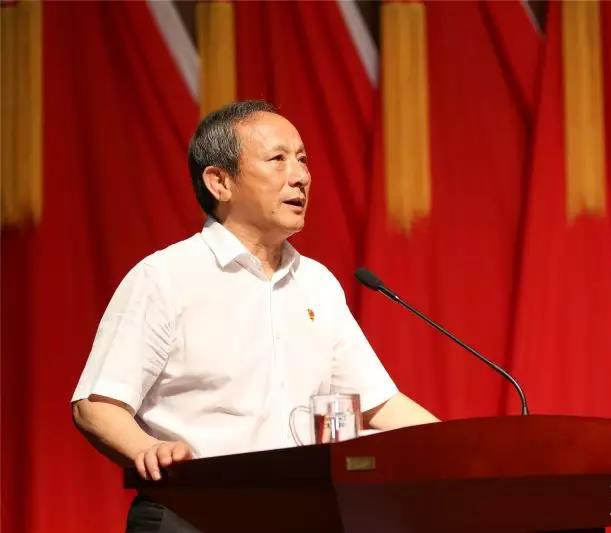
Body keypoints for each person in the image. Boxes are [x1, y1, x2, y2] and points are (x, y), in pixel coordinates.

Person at [71, 100, 438, 531]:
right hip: (193, 515)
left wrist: (465, 449)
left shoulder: (317, 284)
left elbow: (377, 405)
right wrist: (146, 448)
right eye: (278, 159)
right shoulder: (165, 277)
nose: (300, 176)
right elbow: (96, 405)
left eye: (302, 160)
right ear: (220, 182)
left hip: (296, 517)